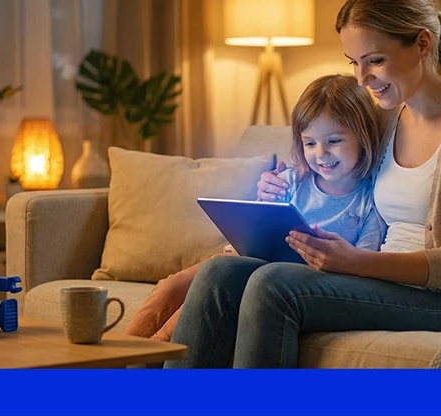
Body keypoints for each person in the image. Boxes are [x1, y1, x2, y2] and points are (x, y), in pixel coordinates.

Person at [165, 0, 441, 368]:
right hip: (382, 281)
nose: (362, 78)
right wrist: (284, 183)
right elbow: (332, 166)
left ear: (423, 44)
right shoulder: (388, 116)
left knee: (273, 286)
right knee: (222, 273)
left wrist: (353, 261)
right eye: (354, 63)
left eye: (375, 61)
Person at [124, 74, 385, 342]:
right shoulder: (291, 181)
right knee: (171, 286)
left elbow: (361, 262)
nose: (321, 154)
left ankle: (143, 363)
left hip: (278, 280)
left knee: (192, 308)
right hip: (241, 261)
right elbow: (257, 227)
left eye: (334, 141)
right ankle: (111, 360)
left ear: (362, 134)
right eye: (310, 143)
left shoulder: (370, 200)